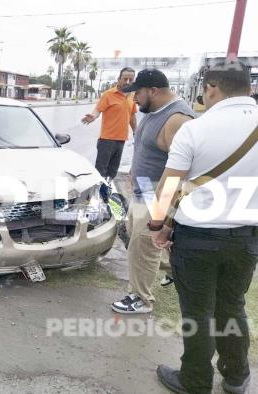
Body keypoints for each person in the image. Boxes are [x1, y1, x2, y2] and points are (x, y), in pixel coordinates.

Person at [149, 62, 258, 394]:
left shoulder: (196, 129)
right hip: (247, 238)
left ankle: (196, 381)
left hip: (197, 238)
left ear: (212, 86)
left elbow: (168, 187)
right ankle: (236, 377)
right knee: (233, 305)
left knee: (198, 312)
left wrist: (158, 225)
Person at [109, 69, 195, 314]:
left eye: (137, 93)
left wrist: (162, 210)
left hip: (159, 193)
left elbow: (183, 170)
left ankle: (141, 299)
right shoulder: (152, 111)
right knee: (140, 238)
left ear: (154, 91)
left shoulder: (177, 120)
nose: (133, 98)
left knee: (143, 246)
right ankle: (177, 273)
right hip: (142, 189)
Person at [82, 67, 138, 180]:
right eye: (125, 79)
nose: (127, 82)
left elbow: (132, 115)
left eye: (130, 80)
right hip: (106, 140)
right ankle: (96, 195)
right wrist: (92, 117)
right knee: (100, 172)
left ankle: (107, 193)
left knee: (112, 172)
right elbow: (98, 110)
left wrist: (136, 131)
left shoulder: (132, 96)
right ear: (119, 79)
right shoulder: (108, 94)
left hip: (121, 140)